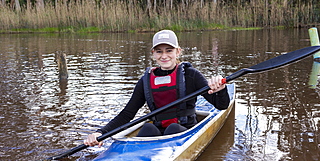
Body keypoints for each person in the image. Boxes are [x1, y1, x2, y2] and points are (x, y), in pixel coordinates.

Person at [84, 30, 230, 147]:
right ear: (153, 53)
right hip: (157, 133)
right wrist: (100, 133)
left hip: (184, 131)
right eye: (159, 51)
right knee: (148, 129)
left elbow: (221, 105)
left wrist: (221, 89)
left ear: (178, 52)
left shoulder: (191, 75)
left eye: (169, 50)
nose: (164, 56)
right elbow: (127, 114)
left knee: (173, 128)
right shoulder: (145, 81)